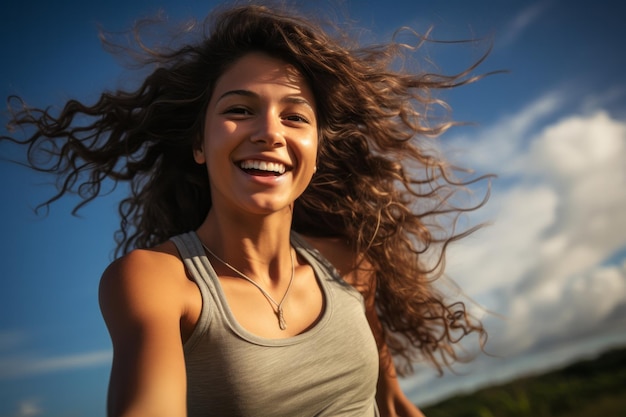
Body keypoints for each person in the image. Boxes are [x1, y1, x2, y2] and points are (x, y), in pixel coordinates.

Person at [3, 3, 492, 416]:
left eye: (295, 116)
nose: (269, 132)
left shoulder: (350, 265)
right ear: (199, 142)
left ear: (316, 148)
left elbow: (393, 403)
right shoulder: (160, 282)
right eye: (239, 110)